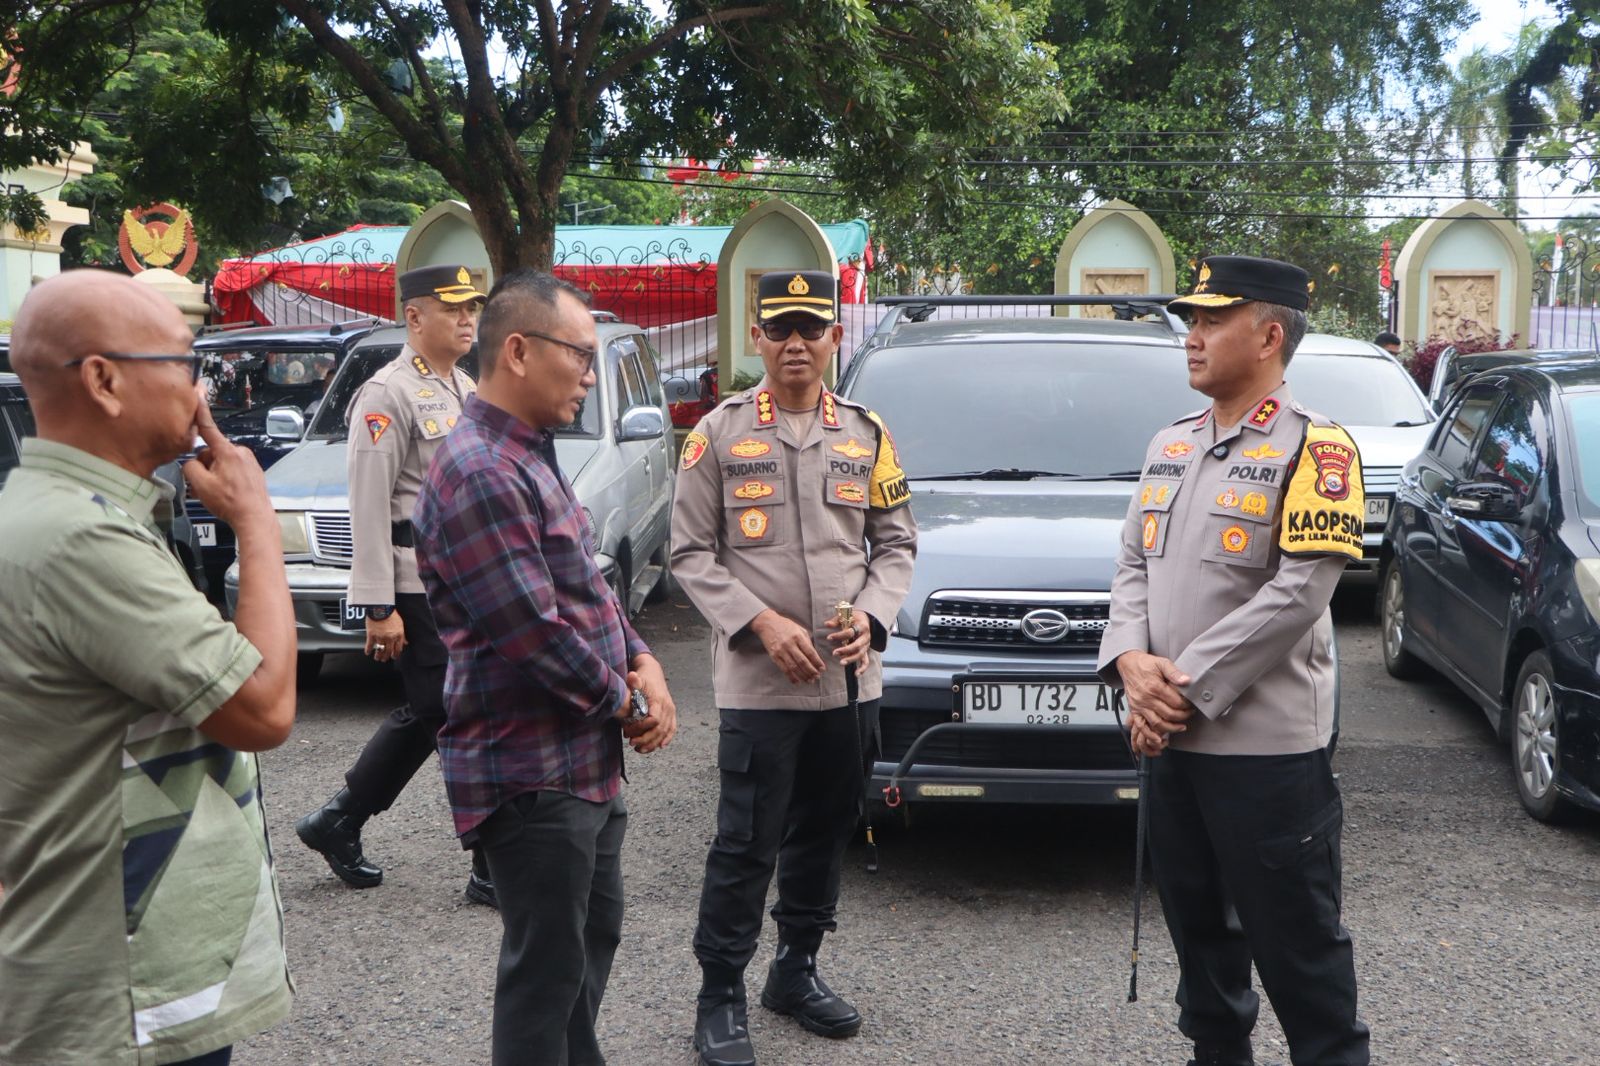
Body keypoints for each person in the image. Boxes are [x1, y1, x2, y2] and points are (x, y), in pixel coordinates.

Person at [0, 270, 296, 1065]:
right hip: (121, 989)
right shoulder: (84, 540)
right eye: (185, 361)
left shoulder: (44, 513)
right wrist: (257, 524)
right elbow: (261, 707)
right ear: (103, 379)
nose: (203, 390)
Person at [1097, 255, 1371, 1066]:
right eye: (1193, 318)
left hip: (1267, 759)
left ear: (1270, 333)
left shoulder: (1319, 451)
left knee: (1304, 964)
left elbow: (1299, 592)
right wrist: (1130, 666)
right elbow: (1131, 567)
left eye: (1213, 319)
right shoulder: (1169, 446)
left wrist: (1177, 688)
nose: (1193, 334)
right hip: (1172, 747)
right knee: (1204, 965)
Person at [412, 269, 678, 1066]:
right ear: (520, 351)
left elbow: (587, 581)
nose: (593, 377)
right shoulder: (480, 469)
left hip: (581, 762)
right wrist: (629, 702)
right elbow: (533, 631)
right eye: (582, 356)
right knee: (545, 976)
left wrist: (644, 657)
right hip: (531, 774)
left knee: (584, 953)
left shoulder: (527, 453)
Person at [673, 270, 917, 1066]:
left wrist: (875, 619)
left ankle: (796, 970)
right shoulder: (717, 432)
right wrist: (760, 620)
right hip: (760, 687)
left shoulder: (869, 434)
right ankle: (720, 997)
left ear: (835, 338)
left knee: (825, 829)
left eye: (812, 328)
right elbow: (689, 554)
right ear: (758, 338)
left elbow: (896, 544)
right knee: (746, 840)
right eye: (781, 329)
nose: (796, 343)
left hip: (849, 687)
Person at [294, 264, 495, 904]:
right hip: (414, 583)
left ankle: (339, 819)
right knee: (451, 711)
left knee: (453, 709)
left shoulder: (462, 386)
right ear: (414, 317)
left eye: (473, 309)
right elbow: (368, 504)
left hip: (462, 580)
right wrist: (378, 605)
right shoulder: (387, 394)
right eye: (453, 308)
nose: (468, 319)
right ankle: (488, 864)